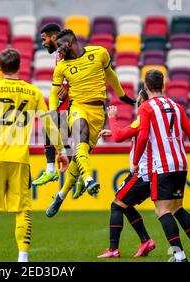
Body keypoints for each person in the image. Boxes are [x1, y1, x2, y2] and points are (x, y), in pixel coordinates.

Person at [0, 48, 68, 262]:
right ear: (20, 67)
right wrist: (60, 150)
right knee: (22, 210)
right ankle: (22, 260)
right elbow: (49, 125)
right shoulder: (33, 92)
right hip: (20, 160)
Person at [45, 29, 136, 217]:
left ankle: (60, 196)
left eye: (61, 47)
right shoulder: (61, 67)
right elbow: (54, 93)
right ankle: (88, 180)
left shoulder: (99, 53)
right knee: (81, 136)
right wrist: (53, 112)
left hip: (97, 112)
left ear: (70, 44)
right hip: (77, 107)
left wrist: (121, 95)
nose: (58, 51)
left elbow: (110, 75)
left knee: (80, 157)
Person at [132, 69, 190, 262]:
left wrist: (135, 162)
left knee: (162, 211)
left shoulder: (146, 107)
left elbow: (141, 138)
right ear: (162, 85)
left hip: (162, 166)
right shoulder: (176, 105)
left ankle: (179, 255)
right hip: (181, 163)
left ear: (146, 86)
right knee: (177, 208)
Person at [96, 90, 155, 258]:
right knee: (125, 205)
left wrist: (112, 118)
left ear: (142, 99)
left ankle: (114, 249)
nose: (136, 99)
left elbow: (120, 137)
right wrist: (113, 130)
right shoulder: (149, 118)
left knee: (116, 204)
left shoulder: (143, 117)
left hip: (142, 173)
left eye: (138, 96)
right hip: (148, 172)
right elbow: (130, 134)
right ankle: (146, 241)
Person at [32, 23, 73, 186]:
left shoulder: (67, 50)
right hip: (68, 99)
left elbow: (79, 68)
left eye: (44, 39)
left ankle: (51, 170)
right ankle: (72, 170)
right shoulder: (59, 53)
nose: (43, 43)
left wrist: (67, 85)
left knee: (51, 125)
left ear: (54, 37)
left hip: (75, 99)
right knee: (56, 131)